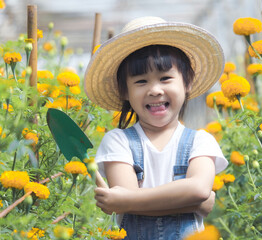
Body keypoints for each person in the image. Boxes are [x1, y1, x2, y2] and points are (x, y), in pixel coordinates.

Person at [84, 16, 228, 240]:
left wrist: (126, 200)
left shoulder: (201, 141)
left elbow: (198, 189)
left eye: (165, 78)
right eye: (141, 81)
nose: (155, 90)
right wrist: (192, 203)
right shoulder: (117, 141)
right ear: (124, 91)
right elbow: (198, 195)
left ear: (187, 82)